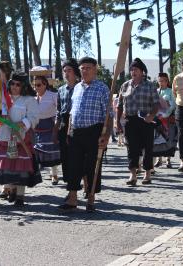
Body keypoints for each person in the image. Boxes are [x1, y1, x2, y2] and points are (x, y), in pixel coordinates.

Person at [58, 57, 110, 213]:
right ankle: (72, 198)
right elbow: (72, 112)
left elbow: (109, 114)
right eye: (83, 68)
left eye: (88, 68)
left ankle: (91, 196)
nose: (85, 71)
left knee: (92, 166)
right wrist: (69, 131)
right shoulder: (77, 88)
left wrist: (106, 135)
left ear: (95, 70)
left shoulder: (102, 88)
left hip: (95, 131)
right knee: (73, 165)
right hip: (75, 131)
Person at [0, 72, 41, 207]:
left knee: (21, 168)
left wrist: (21, 124)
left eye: (18, 84)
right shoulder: (3, 98)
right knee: (7, 166)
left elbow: (34, 117)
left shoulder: (29, 100)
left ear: (23, 86)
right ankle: (11, 190)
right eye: (12, 84)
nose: (15, 86)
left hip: (20, 138)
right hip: (4, 136)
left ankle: (20, 197)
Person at [117, 58, 159, 186]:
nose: (133, 72)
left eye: (136, 69)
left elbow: (156, 104)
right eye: (131, 69)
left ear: (142, 71)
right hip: (130, 120)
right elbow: (119, 105)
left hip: (146, 120)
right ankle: (133, 174)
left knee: (148, 147)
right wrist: (117, 121)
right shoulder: (125, 85)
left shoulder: (150, 85)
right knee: (132, 147)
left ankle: (147, 173)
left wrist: (152, 115)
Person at [54, 58, 81, 183]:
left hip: (77, 123)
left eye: (69, 70)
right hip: (64, 123)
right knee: (64, 154)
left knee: (76, 154)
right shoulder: (61, 90)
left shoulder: (81, 88)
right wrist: (55, 129)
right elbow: (58, 111)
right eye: (64, 71)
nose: (66, 73)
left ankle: (80, 179)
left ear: (75, 72)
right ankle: (68, 181)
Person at [32, 74, 61, 185]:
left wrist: (56, 126)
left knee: (51, 150)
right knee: (38, 151)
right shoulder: (33, 98)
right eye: (34, 85)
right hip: (37, 128)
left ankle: (54, 175)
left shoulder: (53, 96)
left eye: (38, 85)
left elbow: (59, 110)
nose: (36, 87)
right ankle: (39, 174)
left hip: (50, 126)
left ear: (45, 85)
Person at [154, 72, 175, 169]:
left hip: (167, 118)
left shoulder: (171, 91)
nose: (161, 83)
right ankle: (159, 159)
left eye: (163, 81)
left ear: (167, 81)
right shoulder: (156, 91)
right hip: (157, 119)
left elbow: (173, 104)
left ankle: (168, 159)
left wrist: (166, 113)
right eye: (159, 81)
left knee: (168, 138)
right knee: (158, 139)